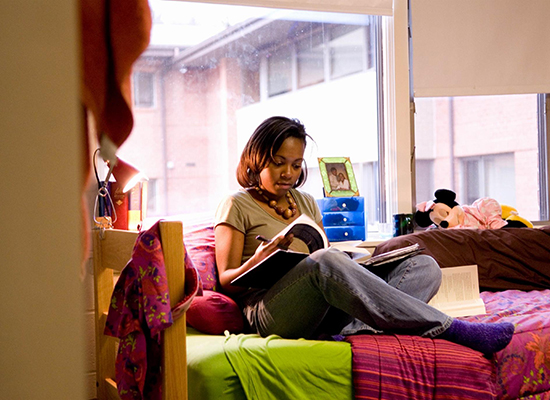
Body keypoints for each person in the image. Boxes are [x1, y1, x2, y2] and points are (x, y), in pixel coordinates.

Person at [214, 116, 514, 354]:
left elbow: (325, 254)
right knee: (324, 262)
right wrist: (257, 261)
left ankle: (357, 329)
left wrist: (351, 263)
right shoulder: (236, 204)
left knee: (425, 267)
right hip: (270, 311)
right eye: (278, 163)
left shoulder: (304, 201)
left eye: (295, 165)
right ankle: (449, 328)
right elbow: (227, 281)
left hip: (323, 309)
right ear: (257, 158)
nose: (288, 173)